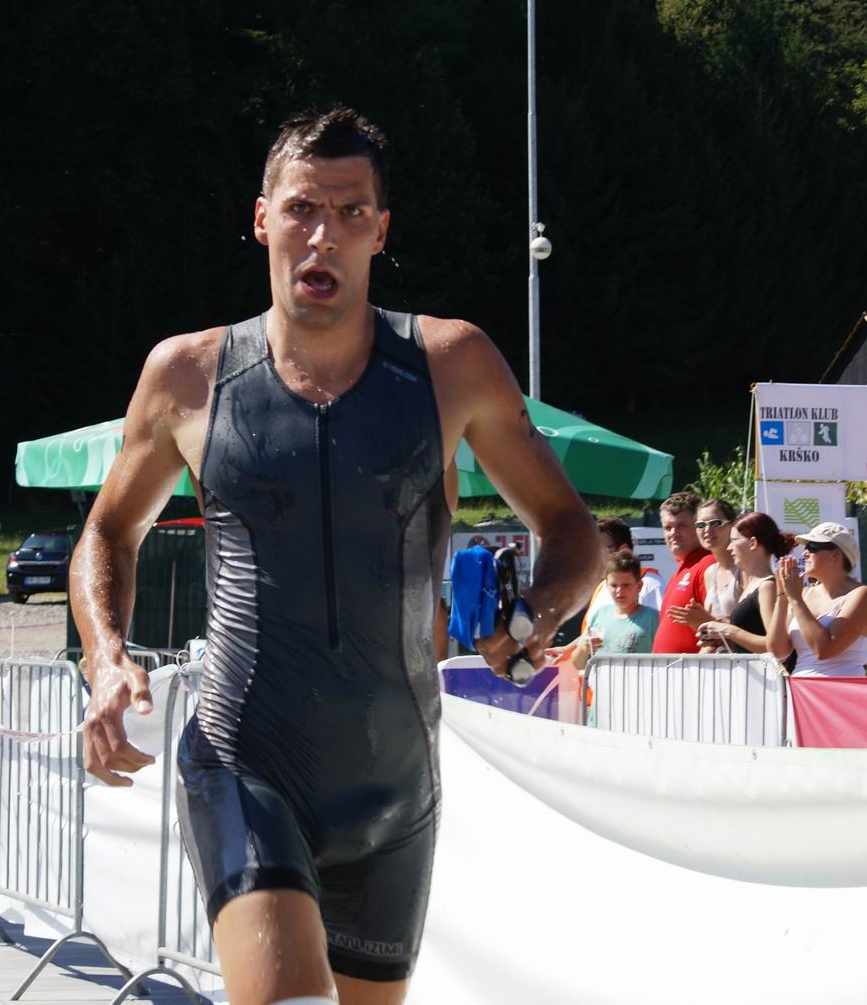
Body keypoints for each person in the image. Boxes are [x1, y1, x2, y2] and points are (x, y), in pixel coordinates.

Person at [69, 105, 600, 1005]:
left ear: (380, 231)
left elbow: (570, 528)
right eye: (302, 209)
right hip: (244, 760)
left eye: (351, 213)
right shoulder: (188, 375)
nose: (324, 236)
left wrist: (534, 614)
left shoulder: (450, 363)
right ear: (262, 218)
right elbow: (108, 532)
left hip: (395, 789)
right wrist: (106, 658)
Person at [768, 522, 867, 678]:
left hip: (841, 690)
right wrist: (782, 597)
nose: (804, 553)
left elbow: (824, 649)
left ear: (835, 555)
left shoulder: (861, 594)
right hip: (802, 688)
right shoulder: (804, 594)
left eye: (812, 547)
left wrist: (795, 599)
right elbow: (778, 651)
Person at [695, 512, 791, 658]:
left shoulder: (767, 586)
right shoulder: (754, 584)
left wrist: (728, 630)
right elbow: (751, 635)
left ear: (752, 543)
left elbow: (775, 646)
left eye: (734, 540)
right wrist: (720, 635)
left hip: (763, 671)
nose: (729, 547)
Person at [547, 550, 660, 670]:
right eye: (614, 585)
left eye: (626, 585)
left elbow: (666, 660)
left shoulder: (653, 618)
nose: (619, 591)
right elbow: (578, 665)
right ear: (606, 586)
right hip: (600, 682)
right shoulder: (600, 615)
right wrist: (583, 649)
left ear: (639, 586)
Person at [651, 491, 713, 654]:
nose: (673, 533)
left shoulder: (708, 565)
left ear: (699, 527)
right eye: (668, 528)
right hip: (671, 668)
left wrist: (699, 666)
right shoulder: (681, 570)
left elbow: (718, 629)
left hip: (693, 668)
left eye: (682, 526)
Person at [667, 497, 739, 631]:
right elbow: (712, 630)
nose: (707, 530)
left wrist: (708, 621)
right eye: (700, 525)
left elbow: (755, 628)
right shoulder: (710, 573)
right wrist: (697, 624)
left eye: (715, 523)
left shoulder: (745, 569)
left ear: (733, 524)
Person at [579, 518, 664, 631]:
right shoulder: (602, 587)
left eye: (601, 548)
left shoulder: (651, 585)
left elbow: (662, 634)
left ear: (624, 550)